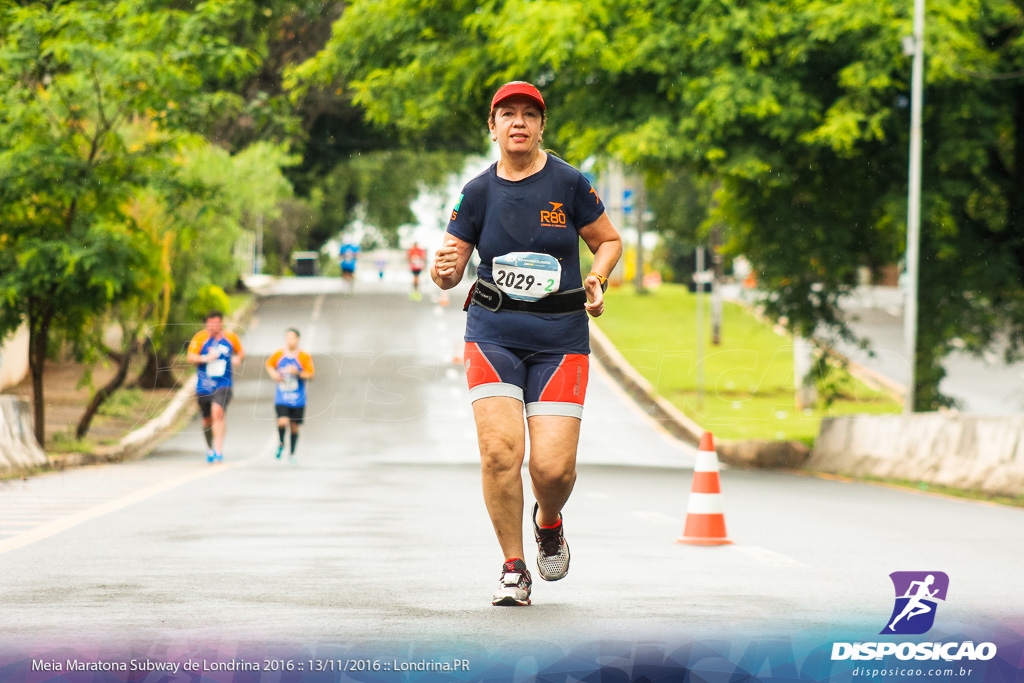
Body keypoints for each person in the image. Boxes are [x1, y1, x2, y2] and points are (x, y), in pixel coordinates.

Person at [430, 81, 622, 606]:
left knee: (552, 470)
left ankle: (549, 520)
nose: (518, 122)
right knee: (499, 453)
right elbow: (449, 269)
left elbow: (607, 240)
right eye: (507, 114)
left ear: (541, 126)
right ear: (492, 127)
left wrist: (597, 279)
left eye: (528, 115)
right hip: (493, 333)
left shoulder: (570, 183)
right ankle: (513, 567)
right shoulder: (477, 192)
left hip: (560, 337)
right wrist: (442, 271)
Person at [187, 311, 245, 463]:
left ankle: (219, 450)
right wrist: (205, 358)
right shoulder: (200, 338)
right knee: (207, 420)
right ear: (207, 324)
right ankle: (210, 448)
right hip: (204, 385)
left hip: (223, 384)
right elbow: (190, 357)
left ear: (222, 323)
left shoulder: (230, 338)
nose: (214, 327)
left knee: (217, 412)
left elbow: (241, 353)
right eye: (211, 324)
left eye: (217, 324)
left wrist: (238, 359)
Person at [265, 328, 315, 465]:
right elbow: (269, 365)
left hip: (298, 399)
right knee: (282, 421)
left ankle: (292, 453)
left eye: (293, 338)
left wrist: (298, 372)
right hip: (282, 397)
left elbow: (311, 374)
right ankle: (281, 443)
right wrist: (274, 374)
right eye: (288, 338)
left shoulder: (304, 356)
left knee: (294, 426)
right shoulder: (279, 353)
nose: (290, 341)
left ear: (298, 339)